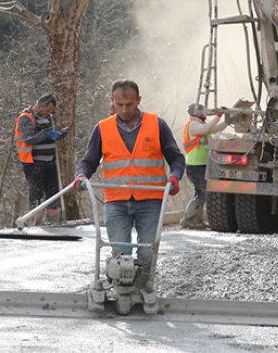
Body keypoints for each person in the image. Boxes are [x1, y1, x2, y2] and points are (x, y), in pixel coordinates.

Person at [74, 79, 185, 286]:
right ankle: (120, 285)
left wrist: (174, 177)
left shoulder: (156, 125)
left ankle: (144, 288)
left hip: (150, 200)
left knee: (147, 252)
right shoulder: (102, 129)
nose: (124, 110)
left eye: (130, 105)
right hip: (116, 200)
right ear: (112, 102)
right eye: (119, 105)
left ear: (139, 101)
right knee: (120, 252)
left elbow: (176, 157)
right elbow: (89, 161)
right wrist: (82, 176)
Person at [14, 94, 67, 225]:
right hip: (34, 163)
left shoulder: (48, 118)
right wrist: (46, 133)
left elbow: (47, 134)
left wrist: (58, 134)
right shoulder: (25, 118)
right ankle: (35, 223)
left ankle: (53, 221)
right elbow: (29, 138)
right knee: (36, 194)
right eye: (48, 110)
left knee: (53, 193)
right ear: (40, 105)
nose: (49, 113)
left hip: (50, 161)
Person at [179, 102, 228, 229]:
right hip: (195, 165)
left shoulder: (200, 125)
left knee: (201, 192)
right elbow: (207, 129)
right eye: (201, 110)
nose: (204, 111)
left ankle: (195, 220)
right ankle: (188, 219)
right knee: (202, 192)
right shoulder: (193, 125)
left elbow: (215, 128)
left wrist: (228, 121)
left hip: (200, 164)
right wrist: (218, 115)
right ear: (196, 112)